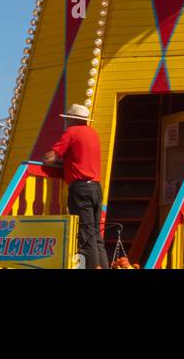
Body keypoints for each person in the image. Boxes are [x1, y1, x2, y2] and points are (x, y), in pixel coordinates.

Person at [44, 103, 109, 270]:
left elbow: (49, 158)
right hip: (95, 187)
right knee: (96, 235)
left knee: (85, 235)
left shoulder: (71, 132)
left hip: (80, 189)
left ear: (72, 119)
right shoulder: (93, 134)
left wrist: (55, 158)